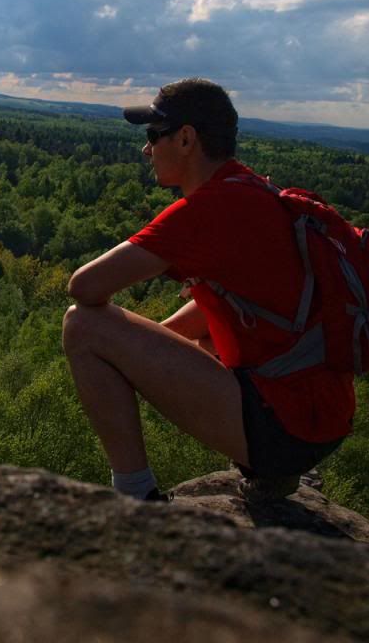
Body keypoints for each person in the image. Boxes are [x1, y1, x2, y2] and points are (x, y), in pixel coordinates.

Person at [61, 78, 351, 502]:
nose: (146, 150)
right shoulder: (254, 191)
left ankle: (134, 498)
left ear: (185, 139)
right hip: (318, 420)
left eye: (152, 135)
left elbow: (84, 287)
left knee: (83, 326)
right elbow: (235, 308)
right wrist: (143, 356)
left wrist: (127, 356)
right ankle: (273, 475)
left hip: (285, 428)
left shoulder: (208, 210)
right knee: (202, 335)